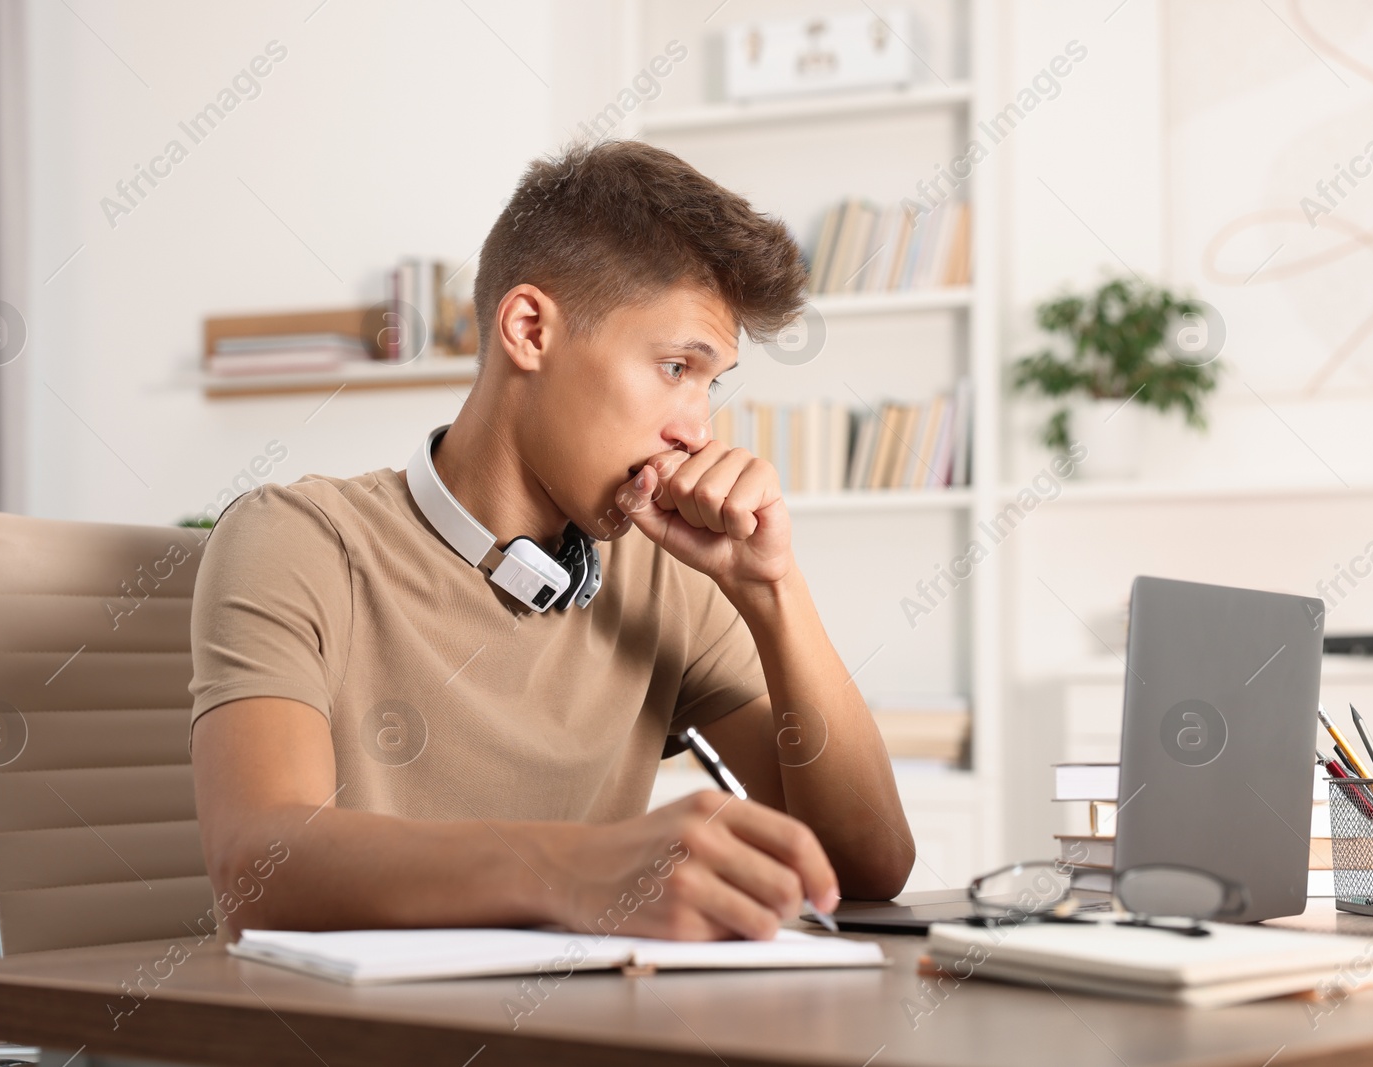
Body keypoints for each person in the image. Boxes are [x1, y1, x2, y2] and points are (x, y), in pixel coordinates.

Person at [189, 138, 913, 943]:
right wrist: (573, 869)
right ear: (529, 329)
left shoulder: (666, 579)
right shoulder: (300, 541)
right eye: (676, 366)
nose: (696, 428)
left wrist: (773, 589)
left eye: (712, 382)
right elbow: (258, 866)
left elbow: (867, 867)